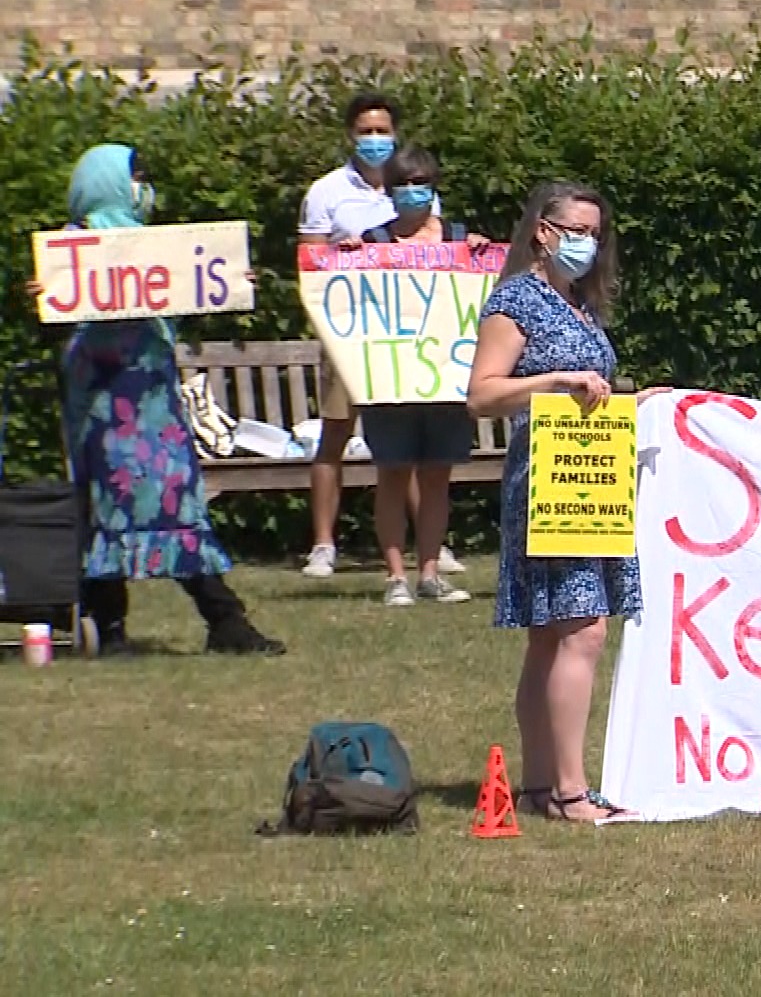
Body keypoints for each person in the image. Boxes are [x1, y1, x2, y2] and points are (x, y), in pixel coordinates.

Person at [469, 181, 667, 822]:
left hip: (588, 473)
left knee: (553, 638)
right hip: (549, 480)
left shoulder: (580, 304)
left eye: (595, 232)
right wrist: (556, 380)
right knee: (583, 630)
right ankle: (572, 793)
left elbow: (590, 398)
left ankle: (539, 787)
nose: (587, 242)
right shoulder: (516, 301)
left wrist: (640, 404)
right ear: (542, 232)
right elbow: (482, 394)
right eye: (576, 230)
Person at [47, 144, 285, 657]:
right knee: (107, 504)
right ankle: (113, 628)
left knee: (173, 498)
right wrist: (43, 291)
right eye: (134, 178)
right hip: (103, 402)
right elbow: (64, 307)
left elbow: (190, 289)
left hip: (153, 399)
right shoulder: (74, 247)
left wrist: (228, 283)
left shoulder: (153, 246)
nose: (144, 188)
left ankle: (224, 621)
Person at [294, 91, 465, 581]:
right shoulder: (326, 191)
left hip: (419, 347)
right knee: (337, 433)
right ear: (350, 134)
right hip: (356, 336)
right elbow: (313, 264)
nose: (375, 140)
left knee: (412, 452)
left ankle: (430, 549)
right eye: (365, 131)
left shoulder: (424, 191)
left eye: (382, 130)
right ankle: (324, 544)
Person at [348, 145, 483, 607]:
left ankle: (429, 572)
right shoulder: (372, 241)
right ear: (389, 190)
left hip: (446, 377)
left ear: (434, 185)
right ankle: (395, 577)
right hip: (390, 380)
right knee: (391, 475)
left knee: (436, 479)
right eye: (403, 183)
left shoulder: (459, 238)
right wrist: (341, 258)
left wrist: (479, 255)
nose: (412, 191)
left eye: (420, 182)